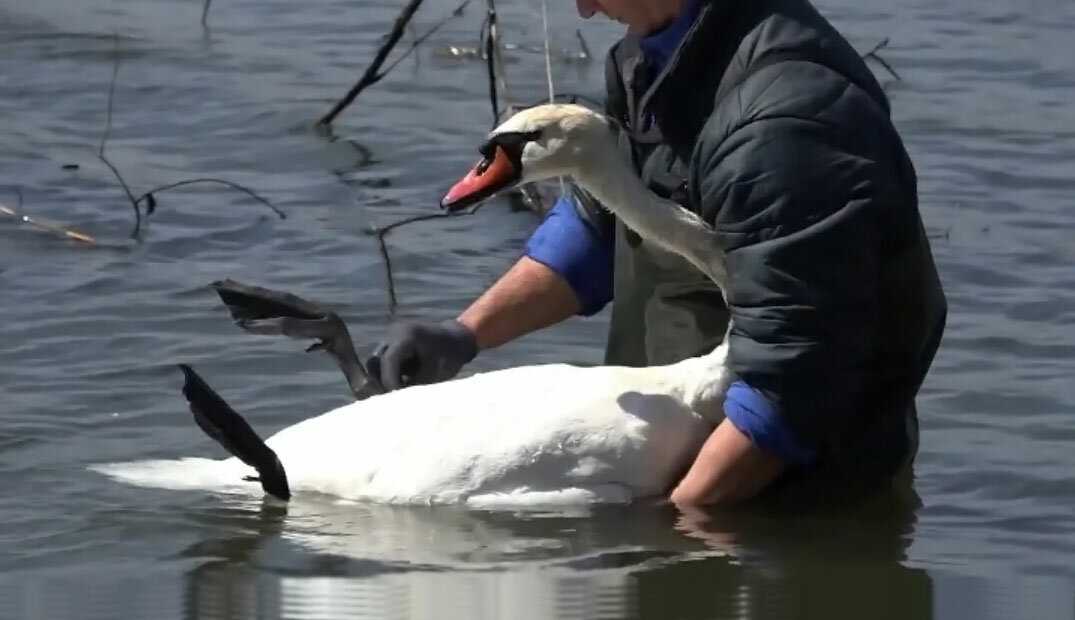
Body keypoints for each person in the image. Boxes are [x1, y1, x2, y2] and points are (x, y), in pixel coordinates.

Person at [369, 0, 947, 506]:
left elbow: (793, 387)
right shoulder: (651, 58)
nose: (584, 9)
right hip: (681, 456)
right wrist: (464, 335)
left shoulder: (785, 125)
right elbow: (604, 219)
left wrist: (672, 532)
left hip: (783, 496)